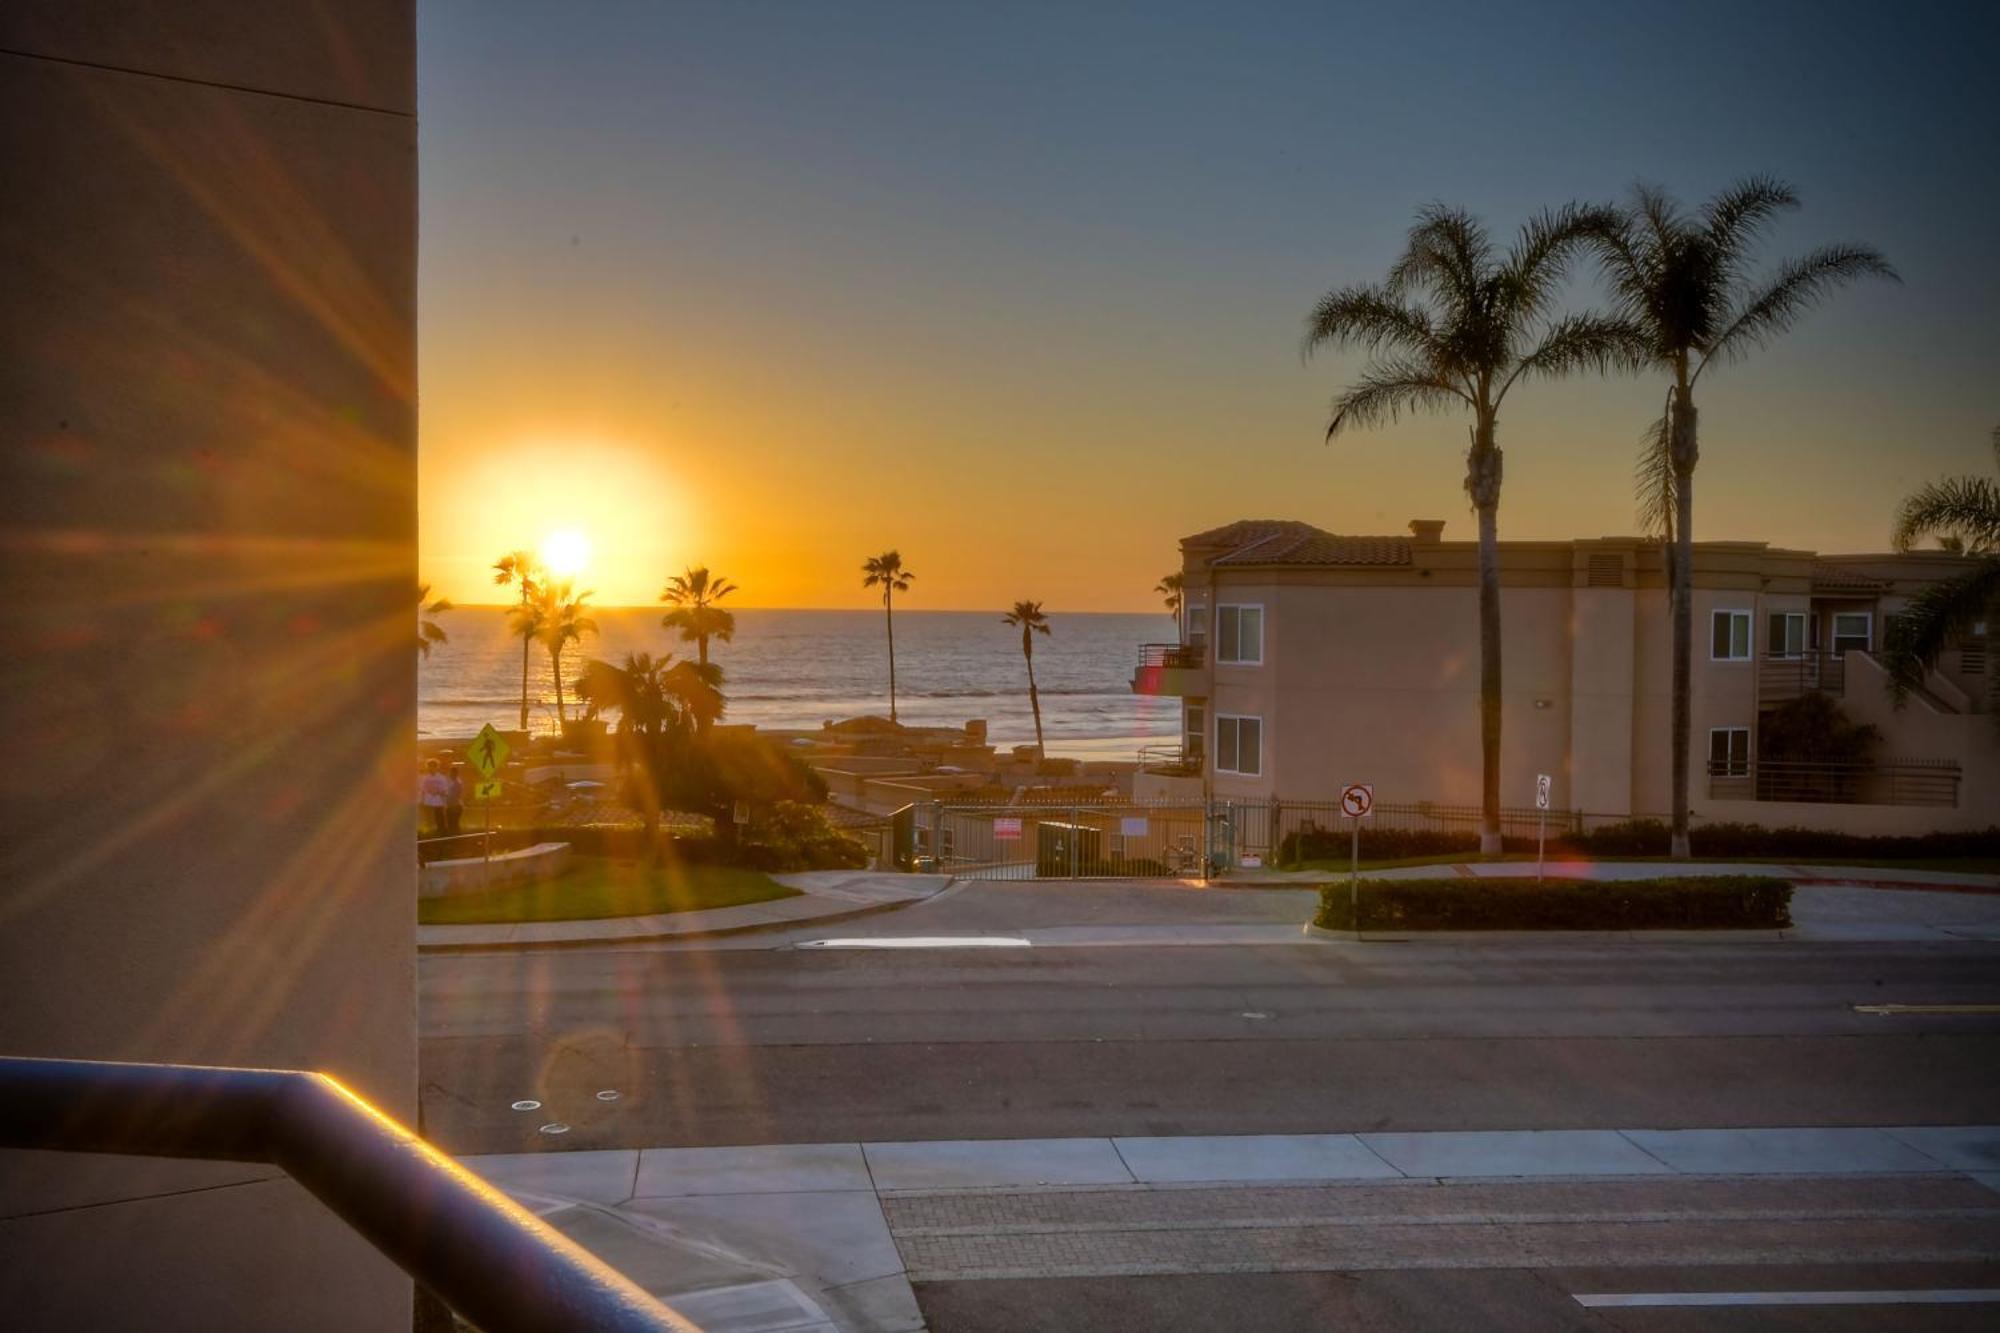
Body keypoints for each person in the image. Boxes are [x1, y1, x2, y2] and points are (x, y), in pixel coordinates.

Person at [418, 758, 450, 836]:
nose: (431, 768)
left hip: (438, 803)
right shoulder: (425, 778)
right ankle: (429, 836)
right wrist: (421, 801)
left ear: (437, 767)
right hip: (427, 803)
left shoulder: (442, 778)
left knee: (440, 821)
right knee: (428, 821)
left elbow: (445, 791)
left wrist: (439, 793)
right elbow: (422, 790)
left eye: (433, 766)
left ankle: (441, 835)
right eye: (429, 766)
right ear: (427, 767)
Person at [444, 763, 466, 836]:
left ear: (455, 774)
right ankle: (454, 838)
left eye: (451, 773)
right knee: (452, 823)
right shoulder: (451, 782)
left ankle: (455, 838)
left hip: (455, 806)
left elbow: (455, 795)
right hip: (452, 806)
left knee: (453, 823)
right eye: (450, 773)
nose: (450, 774)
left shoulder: (457, 783)